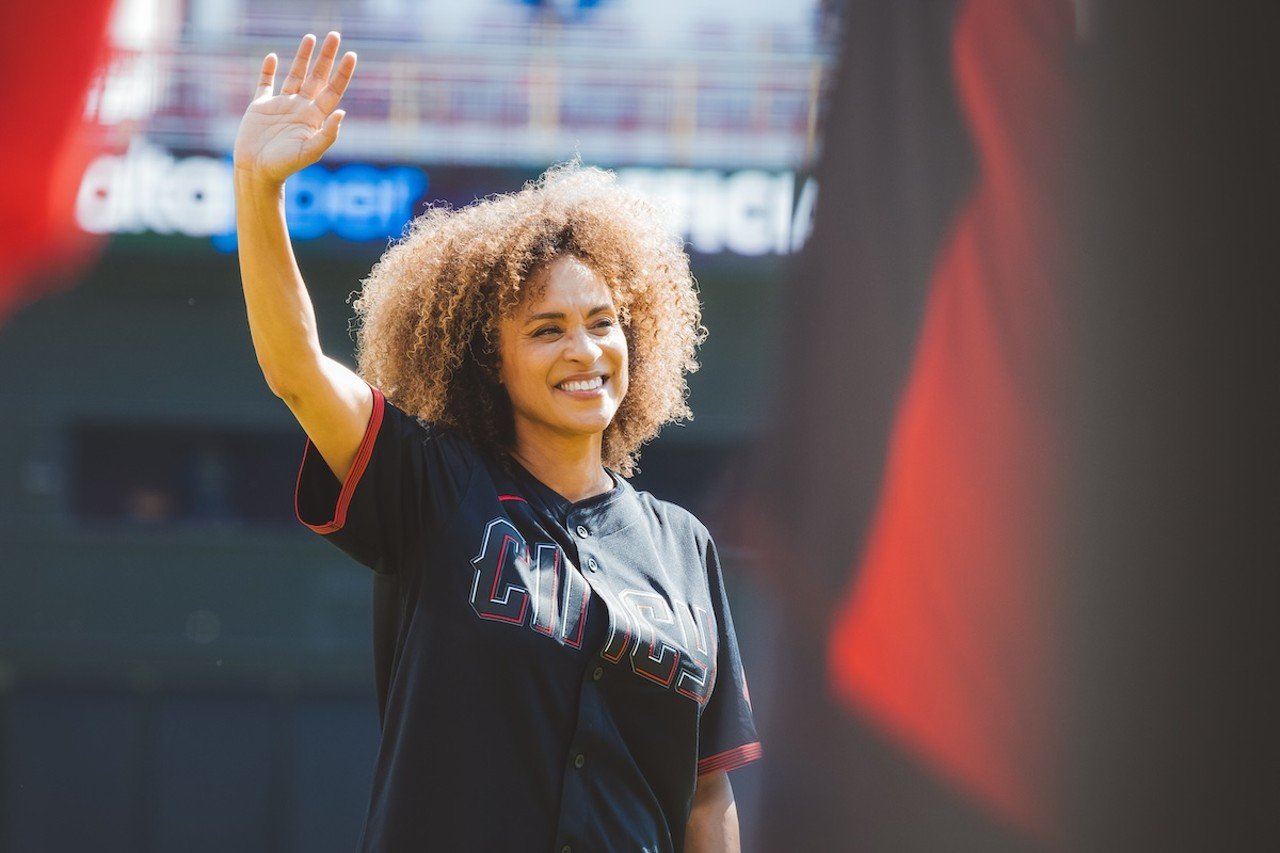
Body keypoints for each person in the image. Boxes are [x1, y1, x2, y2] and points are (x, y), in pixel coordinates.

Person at [234, 31, 761, 852]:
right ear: (491, 361)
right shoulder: (433, 484)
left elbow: (706, 797)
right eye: (547, 330)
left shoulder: (683, 545)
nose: (586, 352)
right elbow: (296, 368)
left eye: (602, 322)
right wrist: (257, 191)